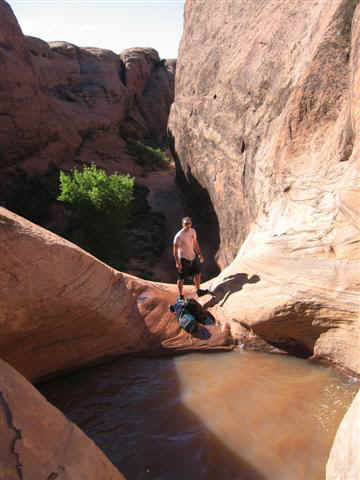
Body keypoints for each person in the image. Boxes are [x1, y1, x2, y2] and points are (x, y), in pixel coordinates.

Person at [173, 216, 211, 298]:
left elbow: (195, 243)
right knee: (181, 277)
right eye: (186, 224)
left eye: (189, 223)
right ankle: (180, 295)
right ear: (182, 225)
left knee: (197, 274)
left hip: (192, 257)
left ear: (191, 223)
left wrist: (199, 254)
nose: (188, 225)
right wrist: (177, 262)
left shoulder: (193, 231)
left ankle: (198, 290)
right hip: (183, 259)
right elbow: (175, 250)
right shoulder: (178, 236)